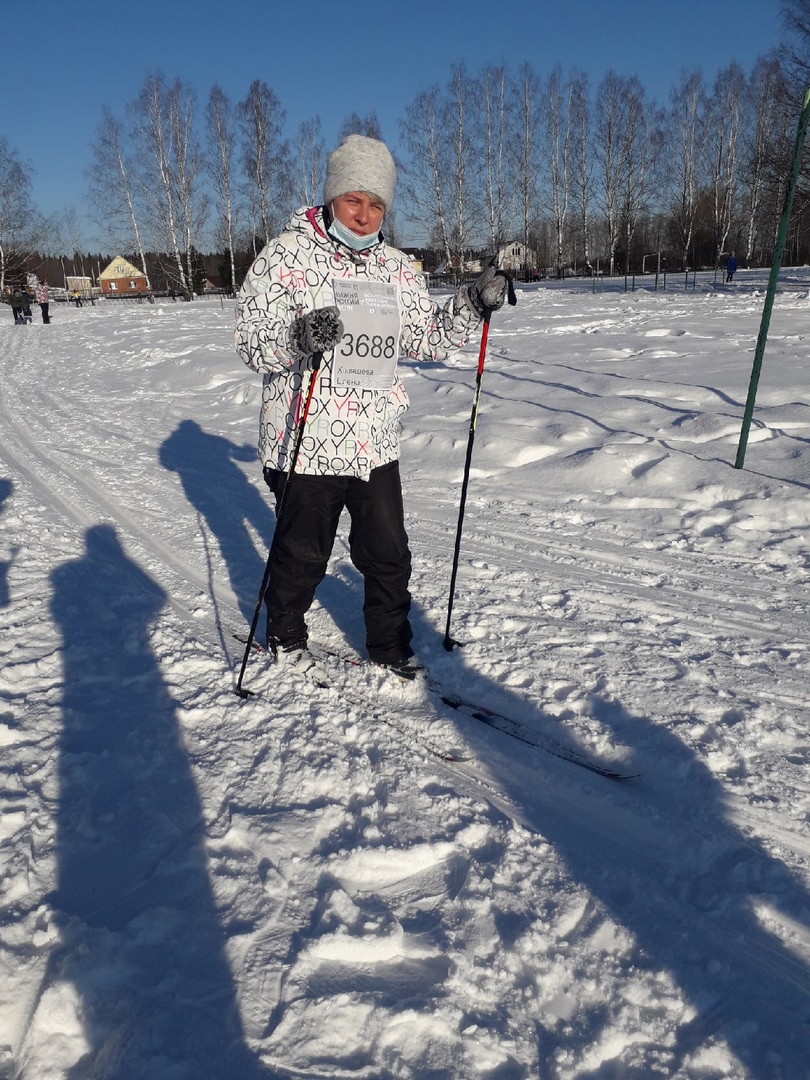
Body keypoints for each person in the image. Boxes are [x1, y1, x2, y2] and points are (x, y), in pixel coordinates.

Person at [235, 134, 509, 680]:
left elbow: (428, 337)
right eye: (354, 200)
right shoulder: (285, 256)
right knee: (303, 554)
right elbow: (251, 341)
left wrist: (473, 303)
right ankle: (285, 634)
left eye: (376, 204)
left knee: (388, 555)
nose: (364, 216)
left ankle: (389, 647)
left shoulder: (397, 267)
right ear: (332, 196)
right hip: (304, 438)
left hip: (373, 440)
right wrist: (300, 336)